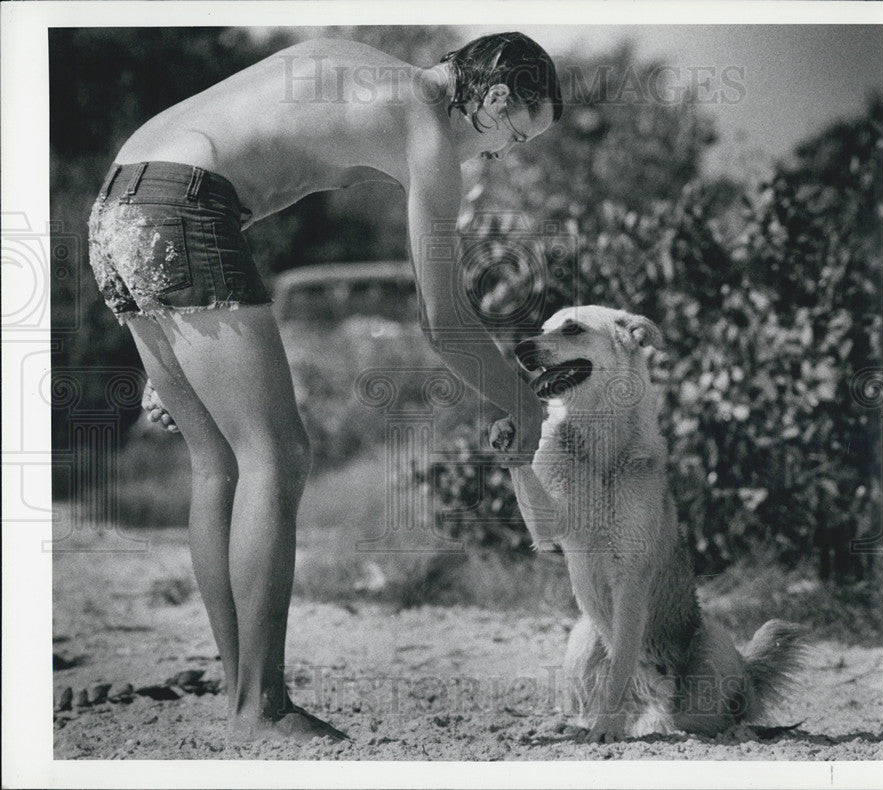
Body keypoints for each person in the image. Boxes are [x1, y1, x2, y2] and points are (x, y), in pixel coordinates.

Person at [87, 32, 562, 743]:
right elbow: (443, 320)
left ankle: (242, 698)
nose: (499, 156)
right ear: (493, 101)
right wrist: (524, 401)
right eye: (510, 139)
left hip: (119, 202)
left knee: (218, 463)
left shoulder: (359, 65)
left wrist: (178, 316)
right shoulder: (425, 124)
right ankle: (262, 708)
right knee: (277, 457)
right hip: (183, 210)